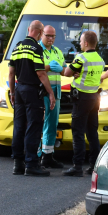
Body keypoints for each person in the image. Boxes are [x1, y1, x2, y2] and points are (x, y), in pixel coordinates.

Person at [8, 20, 56, 176]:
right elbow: (41, 73)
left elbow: (11, 73)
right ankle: (31, 164)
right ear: (40, 32)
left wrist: (12, 92)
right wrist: (50, 92)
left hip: (19, 88)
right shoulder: (36, 48)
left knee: (19, 126)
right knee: (34, 126)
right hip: (31, 91)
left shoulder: (17, 47)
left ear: (29, 29)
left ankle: (18, 163)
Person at [62, 30, 106, 177]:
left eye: (81, 41)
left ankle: (77, 166)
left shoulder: (81, 57)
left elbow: (67, 72)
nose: (80, 43)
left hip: (82, 99)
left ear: (86, 43)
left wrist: (70, 71)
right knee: (92, 133)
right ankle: (93, 165)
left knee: (78, 132)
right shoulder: (100, 59)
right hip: (94, 98)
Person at [37, 25, 65, 168]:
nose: (50, 39)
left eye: (53, 36)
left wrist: (64, 70)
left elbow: (64, 69)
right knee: (38, 123)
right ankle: (36, 156)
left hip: (56, 91)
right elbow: (36, 70)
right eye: (48, 35)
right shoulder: (37, 50)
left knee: (52, 124)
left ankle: (48, 156)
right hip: (42, 92)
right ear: (41, 34)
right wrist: (48, 67)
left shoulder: (58, 52)